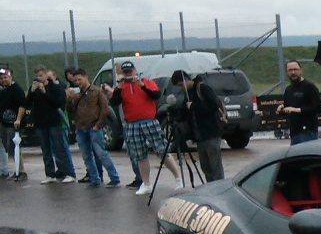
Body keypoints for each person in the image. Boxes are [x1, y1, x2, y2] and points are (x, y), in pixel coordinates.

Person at [110, 60, 182, 197]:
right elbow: (114, 101)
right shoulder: (121, 87)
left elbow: (156, 95)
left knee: (162, 150)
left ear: (135, 71)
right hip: (132, 124)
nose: (128, 74)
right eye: (125, 73)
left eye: (130, 72)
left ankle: (178, 178)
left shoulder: (146, 82)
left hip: (149, 121)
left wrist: (141, 85)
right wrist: (119, 85)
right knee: (140, 155)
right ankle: (146, 183)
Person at [21, 66, 77, 183]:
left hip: (53, 122)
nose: (39, 78)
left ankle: (68, 173)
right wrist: (31, 92)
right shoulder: (34, 89)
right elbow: (26, 103)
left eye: (41, 75)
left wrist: (45, 92)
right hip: (40, 123)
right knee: (45, 150)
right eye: (37, 76)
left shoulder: (55, 88)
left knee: (59, 148)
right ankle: (50, 174)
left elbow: (58, 103)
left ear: (46, 75)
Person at [66, 68, 121, 187]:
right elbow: (70, 109)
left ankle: (114, 177)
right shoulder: (78, 94)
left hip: (93, 126)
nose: (78, 82)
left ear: (86, 77)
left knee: (101, 153)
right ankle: (94, 178)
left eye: (80, 79)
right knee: (86, 156)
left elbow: (104, 109)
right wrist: (69, 99)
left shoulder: (96, 91)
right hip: (81, 127)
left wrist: (98, 125)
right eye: (76, 81)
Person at [172, 70, 226, 182]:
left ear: (186, 79)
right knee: (205, 166)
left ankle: (219, 187)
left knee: (215, 164)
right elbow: (185, 113)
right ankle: (210, 186)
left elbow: (213, 106)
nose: (181, 88)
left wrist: (194, 106)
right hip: (199, 136)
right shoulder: (188, 95)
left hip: (211, 132)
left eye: (181, 85)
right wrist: (174, 114)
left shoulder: (203, 88)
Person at [281, 59, 321, 144]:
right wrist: (282, 109)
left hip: (307, 131)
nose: (293, 72)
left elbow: (319, 108)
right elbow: (288, 110)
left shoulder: (309, 87)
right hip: (294, 133)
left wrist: (298, 110)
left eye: (295, 69)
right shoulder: (288, 90)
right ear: (286, 72)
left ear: (301, 70)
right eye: (290, 70)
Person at [0, 66, 25, 179]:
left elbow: (22, 105)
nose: (3, 80)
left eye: (5, 77)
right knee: (9, 148)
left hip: (14, 124)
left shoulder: (17, 89)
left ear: (10, 77)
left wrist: (18, 119)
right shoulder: (3, 91)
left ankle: (22, 171)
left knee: (15, 147)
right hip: (4, 124)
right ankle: (16, 171)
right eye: (1, 78)